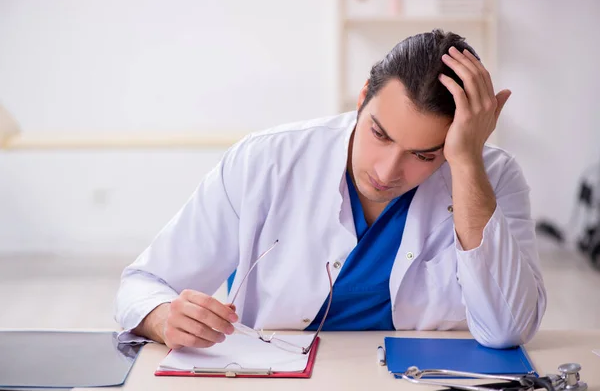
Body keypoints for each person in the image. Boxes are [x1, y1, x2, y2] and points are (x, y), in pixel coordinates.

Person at [115, 29, 546, 350]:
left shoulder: (491, 177)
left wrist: (467, 164)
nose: (386, 171)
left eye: (424, 155)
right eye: (379, 134)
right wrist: (161, 317)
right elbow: (143, 283)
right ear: (362, 99)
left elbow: (507, 328)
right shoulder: (266, 160)